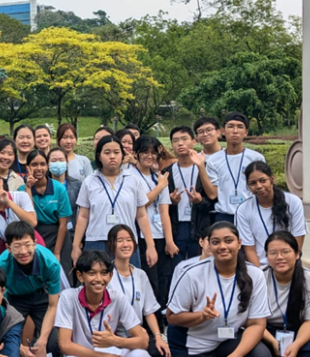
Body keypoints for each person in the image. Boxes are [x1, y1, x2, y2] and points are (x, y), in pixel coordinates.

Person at [157, 221, 272, 357]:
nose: (223, 246)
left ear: (239, 243)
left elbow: (257, 324)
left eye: (228, 241)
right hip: (192, 346)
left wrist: (237, 355)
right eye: (216, 242)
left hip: (226, 343)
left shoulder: (255, 275)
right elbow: (172, 317)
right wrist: (200, 316)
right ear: (208, 245)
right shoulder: (193, 274)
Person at [56, 250, 151, 357]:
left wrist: (115, 340)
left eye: (104, 273)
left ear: (111, 276)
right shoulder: (68, 297)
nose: (98, 279)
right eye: (91, 273)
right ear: (80, 275)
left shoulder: (117, 298)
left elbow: (143, 340)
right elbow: (64, 345)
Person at [0, 222, 63, 357]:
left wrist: (41, 341)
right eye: (17, 246)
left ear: (35, 243)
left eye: (27, 245)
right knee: (9, 340)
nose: (23, 251)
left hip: (41, 298)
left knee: (54, 341)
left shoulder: (50, 263)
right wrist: (17, 345)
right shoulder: (0, 265)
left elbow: (53, 305)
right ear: (8, 248)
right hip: (13, 299)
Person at [72, 135, 158, 270]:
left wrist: (150, 245)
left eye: (116, 152)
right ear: (99, 156)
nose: (112, 156)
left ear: (123, 155)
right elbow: (83, 216)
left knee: (128, 285)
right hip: (96, 241)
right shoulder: (89, 181)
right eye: (107, 152)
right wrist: (76, 246)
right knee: (97, 285)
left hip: (126, 243)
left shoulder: (133, 180)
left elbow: (141, 215)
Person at [106, 225, 171, 357]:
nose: (125, 244)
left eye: (129, 240)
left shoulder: (140, 275)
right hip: (112, 335)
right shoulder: (105, 275)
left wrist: (158, 337)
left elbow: (149, 311)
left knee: (164, 352)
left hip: (137, 336)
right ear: (112, 245)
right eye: (120, 240)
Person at [236, 161, 307, 267]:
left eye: (263, 180)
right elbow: (249, 248)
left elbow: (298, 236)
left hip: (289, 264)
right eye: (253, 183)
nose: (259, 186)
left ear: (272, 179)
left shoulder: (293, 202)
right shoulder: (243, 210)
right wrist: (260, 274)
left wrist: (290, 265)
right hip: (261, 266)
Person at [133, 136, 177, 308]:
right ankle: (152, 324)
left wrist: (169, 240)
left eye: (153, 153)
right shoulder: (130, 176)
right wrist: (160, 187)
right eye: (145, 152)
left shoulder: (157, 177)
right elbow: (141, 203)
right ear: (135, 153)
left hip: (160, 234)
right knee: (149, 280)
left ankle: (162, 319)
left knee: (164, 278)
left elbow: (164, 211)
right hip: (142, 237)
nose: (149, 156)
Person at [166, 127, 215, 270]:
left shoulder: (205, 169)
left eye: (184, 139)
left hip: (200, 226)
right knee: (177, 269)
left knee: (201, 268)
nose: (180, 144)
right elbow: (162, 207)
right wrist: (171, 202)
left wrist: (200, 201)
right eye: (175, 141)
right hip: (176, 228)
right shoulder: (167, 173)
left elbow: (214, 201)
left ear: (194, 141)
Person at [206, 113, 266, 223]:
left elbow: (263, 188)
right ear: (223, 131)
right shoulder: (213, 160)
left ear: (246, 132)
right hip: (223, 216)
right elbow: (213, 193)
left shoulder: (256, 158)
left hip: (251, 215)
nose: (235, 131)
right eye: (230, 126)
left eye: (240, 127)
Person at [18, 150, 73, 257]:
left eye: (42, 164)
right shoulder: (21, 191)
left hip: (58, 236)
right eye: (34, 164)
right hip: (32, 235)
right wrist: (28, 188)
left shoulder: (58, 188)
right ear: (28, 167)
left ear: (47, 166)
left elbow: (63, 224)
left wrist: (57, 252)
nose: (39, 168)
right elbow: (30, 219)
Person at [0, 168, 39, 261]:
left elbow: (32, 222)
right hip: (9, 249)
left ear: (1, 181)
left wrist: (8, 202)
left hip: (31, 244)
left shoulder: (21, 196)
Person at [48, 147, 83, 278]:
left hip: (73, 234)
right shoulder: (44, 186)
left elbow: (82, 213)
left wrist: (79, 240)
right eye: (54, 160)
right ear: (48, 164)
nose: (57, 163)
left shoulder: (77, 184)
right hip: (52, 236)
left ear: (67, 162)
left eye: (61, 160)